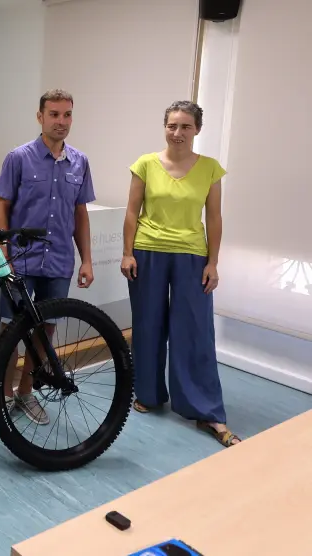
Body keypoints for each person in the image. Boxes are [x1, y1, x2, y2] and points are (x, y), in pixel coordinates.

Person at [121, 100, 241, 448]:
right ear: (165, 127)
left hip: (192, 255)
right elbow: (132, 212)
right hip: (148, 251)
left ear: (197, 130)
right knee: (148, 325)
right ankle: (149, 392)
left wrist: (213, 262)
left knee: (194, 330)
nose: (178, 133)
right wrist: (127, 253)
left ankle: (203, 407)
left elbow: (215, 219)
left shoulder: (210, 169)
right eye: (172, 125)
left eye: (185, 126)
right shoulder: (144, 164)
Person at [0, 89, 96, 426]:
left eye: (67, 115)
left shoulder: (80, 162)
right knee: (10, 334)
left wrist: (88, 260)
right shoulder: (18, 158)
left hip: (58, 262)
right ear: (40, 117)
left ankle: (26, 392)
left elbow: (80, 214)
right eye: (54, 114)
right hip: (20, 262)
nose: (61, 121)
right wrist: (3, 256)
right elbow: (1, 207)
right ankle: (1, 397)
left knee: (45, 335)